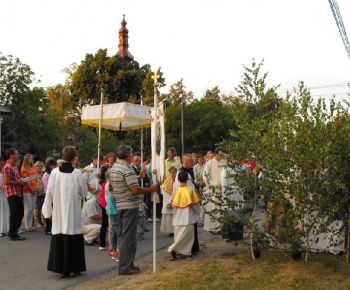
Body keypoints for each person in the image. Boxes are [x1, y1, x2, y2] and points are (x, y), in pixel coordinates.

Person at [110, 145, 158, 275]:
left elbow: (128, 183)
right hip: (129, 205)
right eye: (131, 155)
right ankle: (125, 266)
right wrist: (151, 189)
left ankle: (129, 264)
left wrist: (139, 178)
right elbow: (135, 189)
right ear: (128, 156)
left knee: (129, 237)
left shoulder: (115, 168)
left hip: (121, 204)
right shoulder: (127, 168)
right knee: (128, 237)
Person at [42, 146, 87, 278]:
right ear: (74, 158)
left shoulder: (55, 173)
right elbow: (83, 192)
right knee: (73, 237)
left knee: (60, 236)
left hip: (59, 212)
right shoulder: (77, 173)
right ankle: (73, 269)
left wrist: (48, 212)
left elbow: (49, 192)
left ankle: (61, 269)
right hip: (73, 211)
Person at [168, 170, 201, 259]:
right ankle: (183, 251)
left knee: (179, 235)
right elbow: (195, 205)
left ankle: (178, 251)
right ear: (187, 179)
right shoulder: (191, 190)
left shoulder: (177, 191)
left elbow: (173, 205)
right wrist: (197, 213)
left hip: (178, 217)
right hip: (188, 217)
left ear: (178, 179)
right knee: (188, 236)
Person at [172, 153, 200, 254]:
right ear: (186, 162)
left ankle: (183, 248)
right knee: (187, 230)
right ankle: (185, 249)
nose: (193, 163)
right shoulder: (184, 174)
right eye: (191, 161)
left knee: (180, 230)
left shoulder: (186, 172)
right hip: (187, 206)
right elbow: (190, 189)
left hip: (180, 206)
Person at [2, 148, 27, 240]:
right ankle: (12, 233)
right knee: (15, 214)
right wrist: (18, 182)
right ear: (11, 155)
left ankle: (15, 231)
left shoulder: (13, 166)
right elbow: (7, 181)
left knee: (20, 213)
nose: (18, 155)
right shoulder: (7, 166)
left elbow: (15, 179)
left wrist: (21, 181)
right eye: (16, 154)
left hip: (18, 192)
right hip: (12, 193)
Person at [203, 146, 227, 235]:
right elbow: (205, 177)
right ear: (215, 154)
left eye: (222, 155)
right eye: (220, 155)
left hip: (222, 190)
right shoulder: (209, 164)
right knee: (212, 208)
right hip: (213, 190)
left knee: (221, 209)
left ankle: (221, 227)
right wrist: (215, 184)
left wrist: (223, 184)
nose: (221, 157)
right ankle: (212, 228)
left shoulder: (224, 163)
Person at [21, 154, 39, 232]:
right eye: (29, 158)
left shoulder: (33, 169)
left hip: (34, 189)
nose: (31, 160)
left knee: (32, 208)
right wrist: (31, 188)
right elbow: (25, 180)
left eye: (31, 158)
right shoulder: (24, 169)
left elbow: (36, 179)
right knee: (29, 207)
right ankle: (27, 225)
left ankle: (30, 224)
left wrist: (36, 188)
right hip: (27, 190)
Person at [41, 159, 57, 235]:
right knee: (49, 210)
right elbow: (47, 186)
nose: (55, 167)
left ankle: (53, 227)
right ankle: (48, 229)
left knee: (54, 211)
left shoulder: (54, 173)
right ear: (50, 166)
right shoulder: (46, 174)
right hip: (48, 194)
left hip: (54, 194)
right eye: (53, 165)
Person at [160, 166, 177, 237]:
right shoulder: (167, 181)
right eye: (171, 172)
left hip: (176, 200)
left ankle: (176, 230)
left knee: (176, 216)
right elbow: (164, 193)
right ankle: (171, 231)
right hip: (168, 200)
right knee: (170, 217)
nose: (172, 173)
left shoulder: (178, 180)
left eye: (174, 172)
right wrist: (169, 201)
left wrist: (174, 201)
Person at [0, 156, 9, 237]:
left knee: (4, 212)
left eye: (3, 164)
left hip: (3, 194)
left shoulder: (2, 172)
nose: (2, 166)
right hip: (1, 193)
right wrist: (5, 187)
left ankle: (4, 229)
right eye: (1, 164)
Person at [34, 161, 45, 228]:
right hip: (37, 192)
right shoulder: (34, 175)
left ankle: (44, 220)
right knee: (37, 207)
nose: (39, 167)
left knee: (43, 207)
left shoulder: (44, 174)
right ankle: (38, 221)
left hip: (43, 192)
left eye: (41, 166)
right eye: (38, 166)